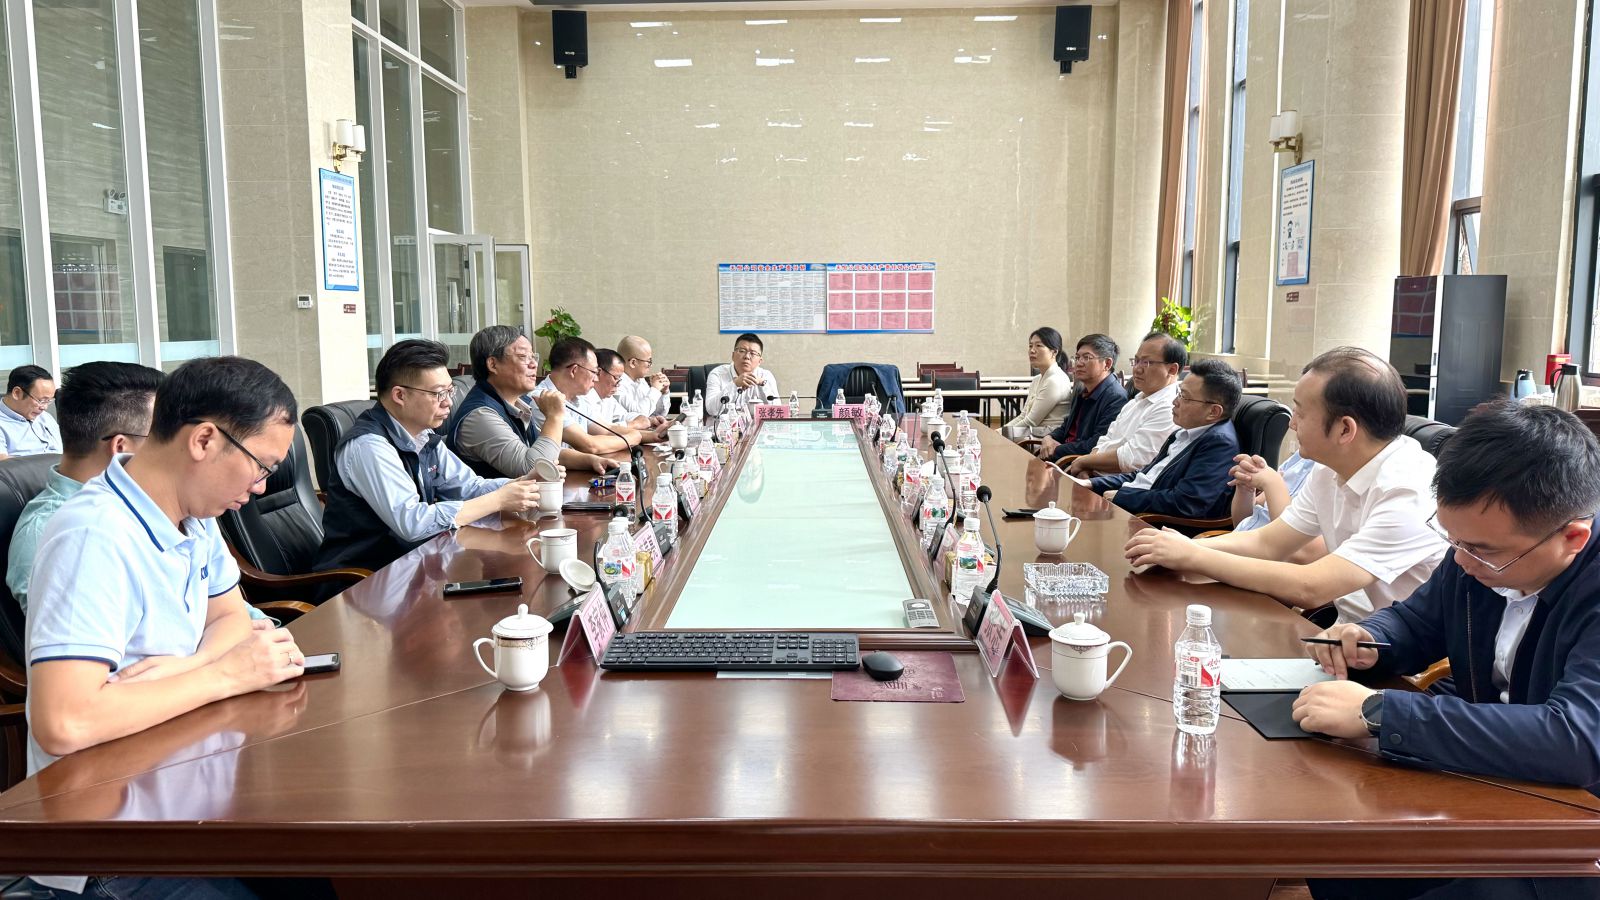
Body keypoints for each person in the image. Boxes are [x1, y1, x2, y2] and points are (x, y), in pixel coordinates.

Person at [23, 356, 309, 898]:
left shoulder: (194, 517)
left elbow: (230, 616)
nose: (260, 487)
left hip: (189, 809)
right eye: (261, 466)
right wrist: (225, 675)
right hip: (114, 847)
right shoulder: (94, 535)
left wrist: (189, 667)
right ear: (204, 440)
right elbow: (64, 721)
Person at [1294, 401, 1600, 900]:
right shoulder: (1479, 551)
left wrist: (1381, 712)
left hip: (1577, 822)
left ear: (1573, 537)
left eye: (1481, 550)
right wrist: (1370, 639)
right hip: (1492, 780)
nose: (1460, 560)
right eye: (1452, 539)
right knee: (1339, 850)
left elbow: (1578, 740)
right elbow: (1417, 621)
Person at [1125, 347, 1446, 624]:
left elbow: (1311, 586)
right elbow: (1268, 542)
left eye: (1300, 413)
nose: (1291, 423)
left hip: (1405, 658)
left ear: (1345, 430)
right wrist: (1180, 547)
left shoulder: (1408, 489)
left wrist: (1192, 556)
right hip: (1351, 633)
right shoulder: (1328, 470)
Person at [314, 339, 541, 574]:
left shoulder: (423, 435)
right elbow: (413, 522)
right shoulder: (369, 447)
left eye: (450, 391)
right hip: (365, 581)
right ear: (400, 395)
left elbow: (469, 487)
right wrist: (498, 500)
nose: (448, 402)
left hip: (414, 566)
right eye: (439, 393)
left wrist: (523, 484)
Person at [7, 361, 164, 615]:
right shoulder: (48, 533)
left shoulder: (139, 503)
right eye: (160, 438)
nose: (170, 451)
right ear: (120, 448)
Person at [445, 325, 617, 479]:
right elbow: (533, 468)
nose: (534, 364)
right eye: (523, 356)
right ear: (493, 365)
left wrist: (591, 460)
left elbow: (544, 450)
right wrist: (555, 417)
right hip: (495, 505)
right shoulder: (480, 416)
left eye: (533, 357)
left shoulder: (521, 402)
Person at [1091, 358, 1241, 520]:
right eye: (1179, 393)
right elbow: (1144, 476)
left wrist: (1123, 497)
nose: (1175, 402)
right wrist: (1093, 484)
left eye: (1184, 397)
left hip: (1150, 521)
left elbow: (1187, 503)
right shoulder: (1183, 432)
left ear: (1213, 412)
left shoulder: (1219, 444)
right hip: (1129, 505)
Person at [1063, 332, 1183, 477]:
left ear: (1172, 369)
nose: (1137, 369)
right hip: (1093, 475)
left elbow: (1132, 458)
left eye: (1147, 362)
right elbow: (1105, 440)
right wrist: (1086, 467)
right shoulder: (1136, 401)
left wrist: (1084, 463)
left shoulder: (1169, 408)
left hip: (1118, 486)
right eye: (1136, 361)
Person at [528, 337, 643, 455]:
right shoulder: (543, 399)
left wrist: (643, 435)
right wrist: (632, 438)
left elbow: (606, 430)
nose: (596, 378)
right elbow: (589, 445)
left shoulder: (578, 398)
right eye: (594, 372)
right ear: (574, 370)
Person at [1037, 334, 1129, 462]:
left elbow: (1096, 445)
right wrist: (1049, 438)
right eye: (1077, 357)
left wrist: (1056, 449)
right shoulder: (1082, 389)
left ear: (1107, 364)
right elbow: (1066, 427)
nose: (1079, 363)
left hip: (1077, 463)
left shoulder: (1116, 398)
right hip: (1063, 456)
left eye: (1087, 357)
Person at [586, 349, 668, 439]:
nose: (618, 384)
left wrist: (648, 420)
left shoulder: (608, 397)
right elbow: (603, 429)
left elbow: (623, 415)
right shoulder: (586, 397)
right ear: (598, 373)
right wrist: (634, 424)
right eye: (616, 378)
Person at [1005, 327, 1073, 430]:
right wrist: (1000, 431)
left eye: (1038, 345)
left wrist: (1001, 434)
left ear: (1054, 352)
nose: (1032, 350)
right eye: (1030, 346)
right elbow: (1023, 416)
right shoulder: (1036, 380)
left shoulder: (1055, 381)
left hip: (1046, 437)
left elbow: (1030, 422)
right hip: (1032, 434)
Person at [704, 333, 778, 418]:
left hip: (756, 425)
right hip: (724, 425)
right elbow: (711, 410)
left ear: (759, 361)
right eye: (742, 351)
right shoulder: (717, 374)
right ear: (733, 355)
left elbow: (777, 411)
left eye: (753, 353)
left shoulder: (766, 376)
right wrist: (735, 384)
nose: (747, 357)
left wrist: (762, 384)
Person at [0, 364, 62, 458]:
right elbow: (4, 465)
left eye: (48, 401)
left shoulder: (45, 417)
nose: (44, 407)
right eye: (41, 400)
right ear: (17, 393)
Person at [616, 335, 671, 422]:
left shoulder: (640, 381)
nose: (650, 365)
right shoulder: (617, 383)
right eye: (649, 361)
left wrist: (663, 392)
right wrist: (655, 390)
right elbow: (640, 416)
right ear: (633, 363)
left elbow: (658, 413)